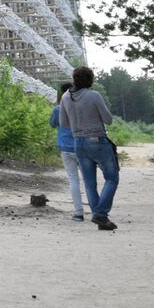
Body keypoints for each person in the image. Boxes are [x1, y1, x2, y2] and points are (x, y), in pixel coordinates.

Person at [59, 66, 119, 230]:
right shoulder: (94, 95)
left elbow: (63, 123)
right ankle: (100, 214)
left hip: (78, 142)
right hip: (96, 140)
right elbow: (108, 119)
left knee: (90, 183)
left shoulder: (66, 97)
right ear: (90, 79)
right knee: (112, 178)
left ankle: (100, 218)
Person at [50, 82, 84, 222]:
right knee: (88, 180)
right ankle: (97, 211)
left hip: (65, 147)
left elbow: (52, 124)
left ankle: (78, 212)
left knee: (73, 180)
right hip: (82, 146)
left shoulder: (58, 109)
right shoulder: (82, 105)